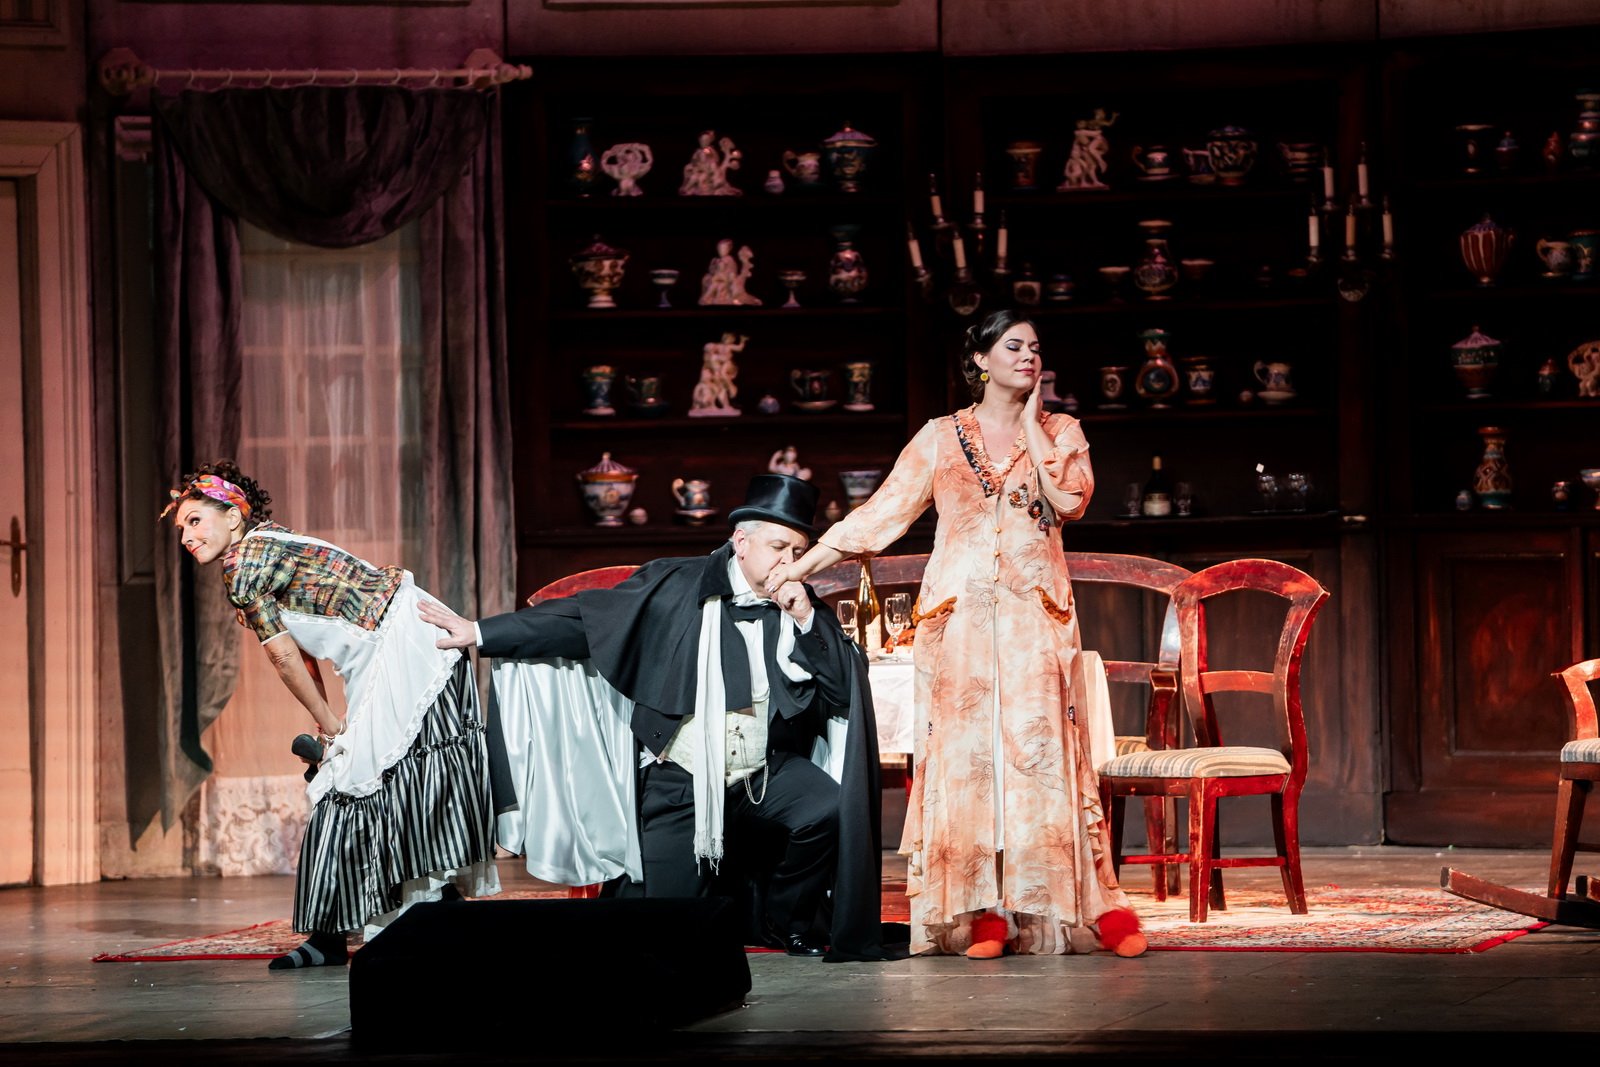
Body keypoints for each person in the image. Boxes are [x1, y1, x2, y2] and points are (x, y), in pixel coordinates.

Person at [769, 309, 1147, 959]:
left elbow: (1070, 501)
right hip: (960, 622)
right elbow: (881, 514)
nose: (1027, 356)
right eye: (1013, 346)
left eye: (1035, 348)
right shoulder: (941, 437)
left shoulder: (1062, 431)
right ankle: (983, 912)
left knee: (1041, 758)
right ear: (980, 359)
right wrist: (800, 567)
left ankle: (1080, 906)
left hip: (1034, 620)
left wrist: (1034, 423)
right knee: (971, 763)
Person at [419, 474, 884, 960]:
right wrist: (480, 632)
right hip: (680, 778)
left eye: (798, 551)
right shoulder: (675, 584)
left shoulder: (802, 605)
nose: (788, 562)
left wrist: (805, 619)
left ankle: (784, 920)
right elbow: (582, 621)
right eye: (778, 547)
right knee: (666, 927)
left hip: (763, 773)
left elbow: (842, 688)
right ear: (741, 542)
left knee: (829, 808)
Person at [164, 461, 499, 970]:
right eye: (181, 528)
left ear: (232, 517)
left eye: (194, 521)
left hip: (400, 648)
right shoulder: (270, 543)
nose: (186, 537)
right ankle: (427, 909)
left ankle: (352, 932)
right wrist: (327, 720)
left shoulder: (244, 562)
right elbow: (303, 652)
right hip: (411, 637)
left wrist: (334, 726)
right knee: (392, 783)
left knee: (348, 785)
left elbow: (282, 656)